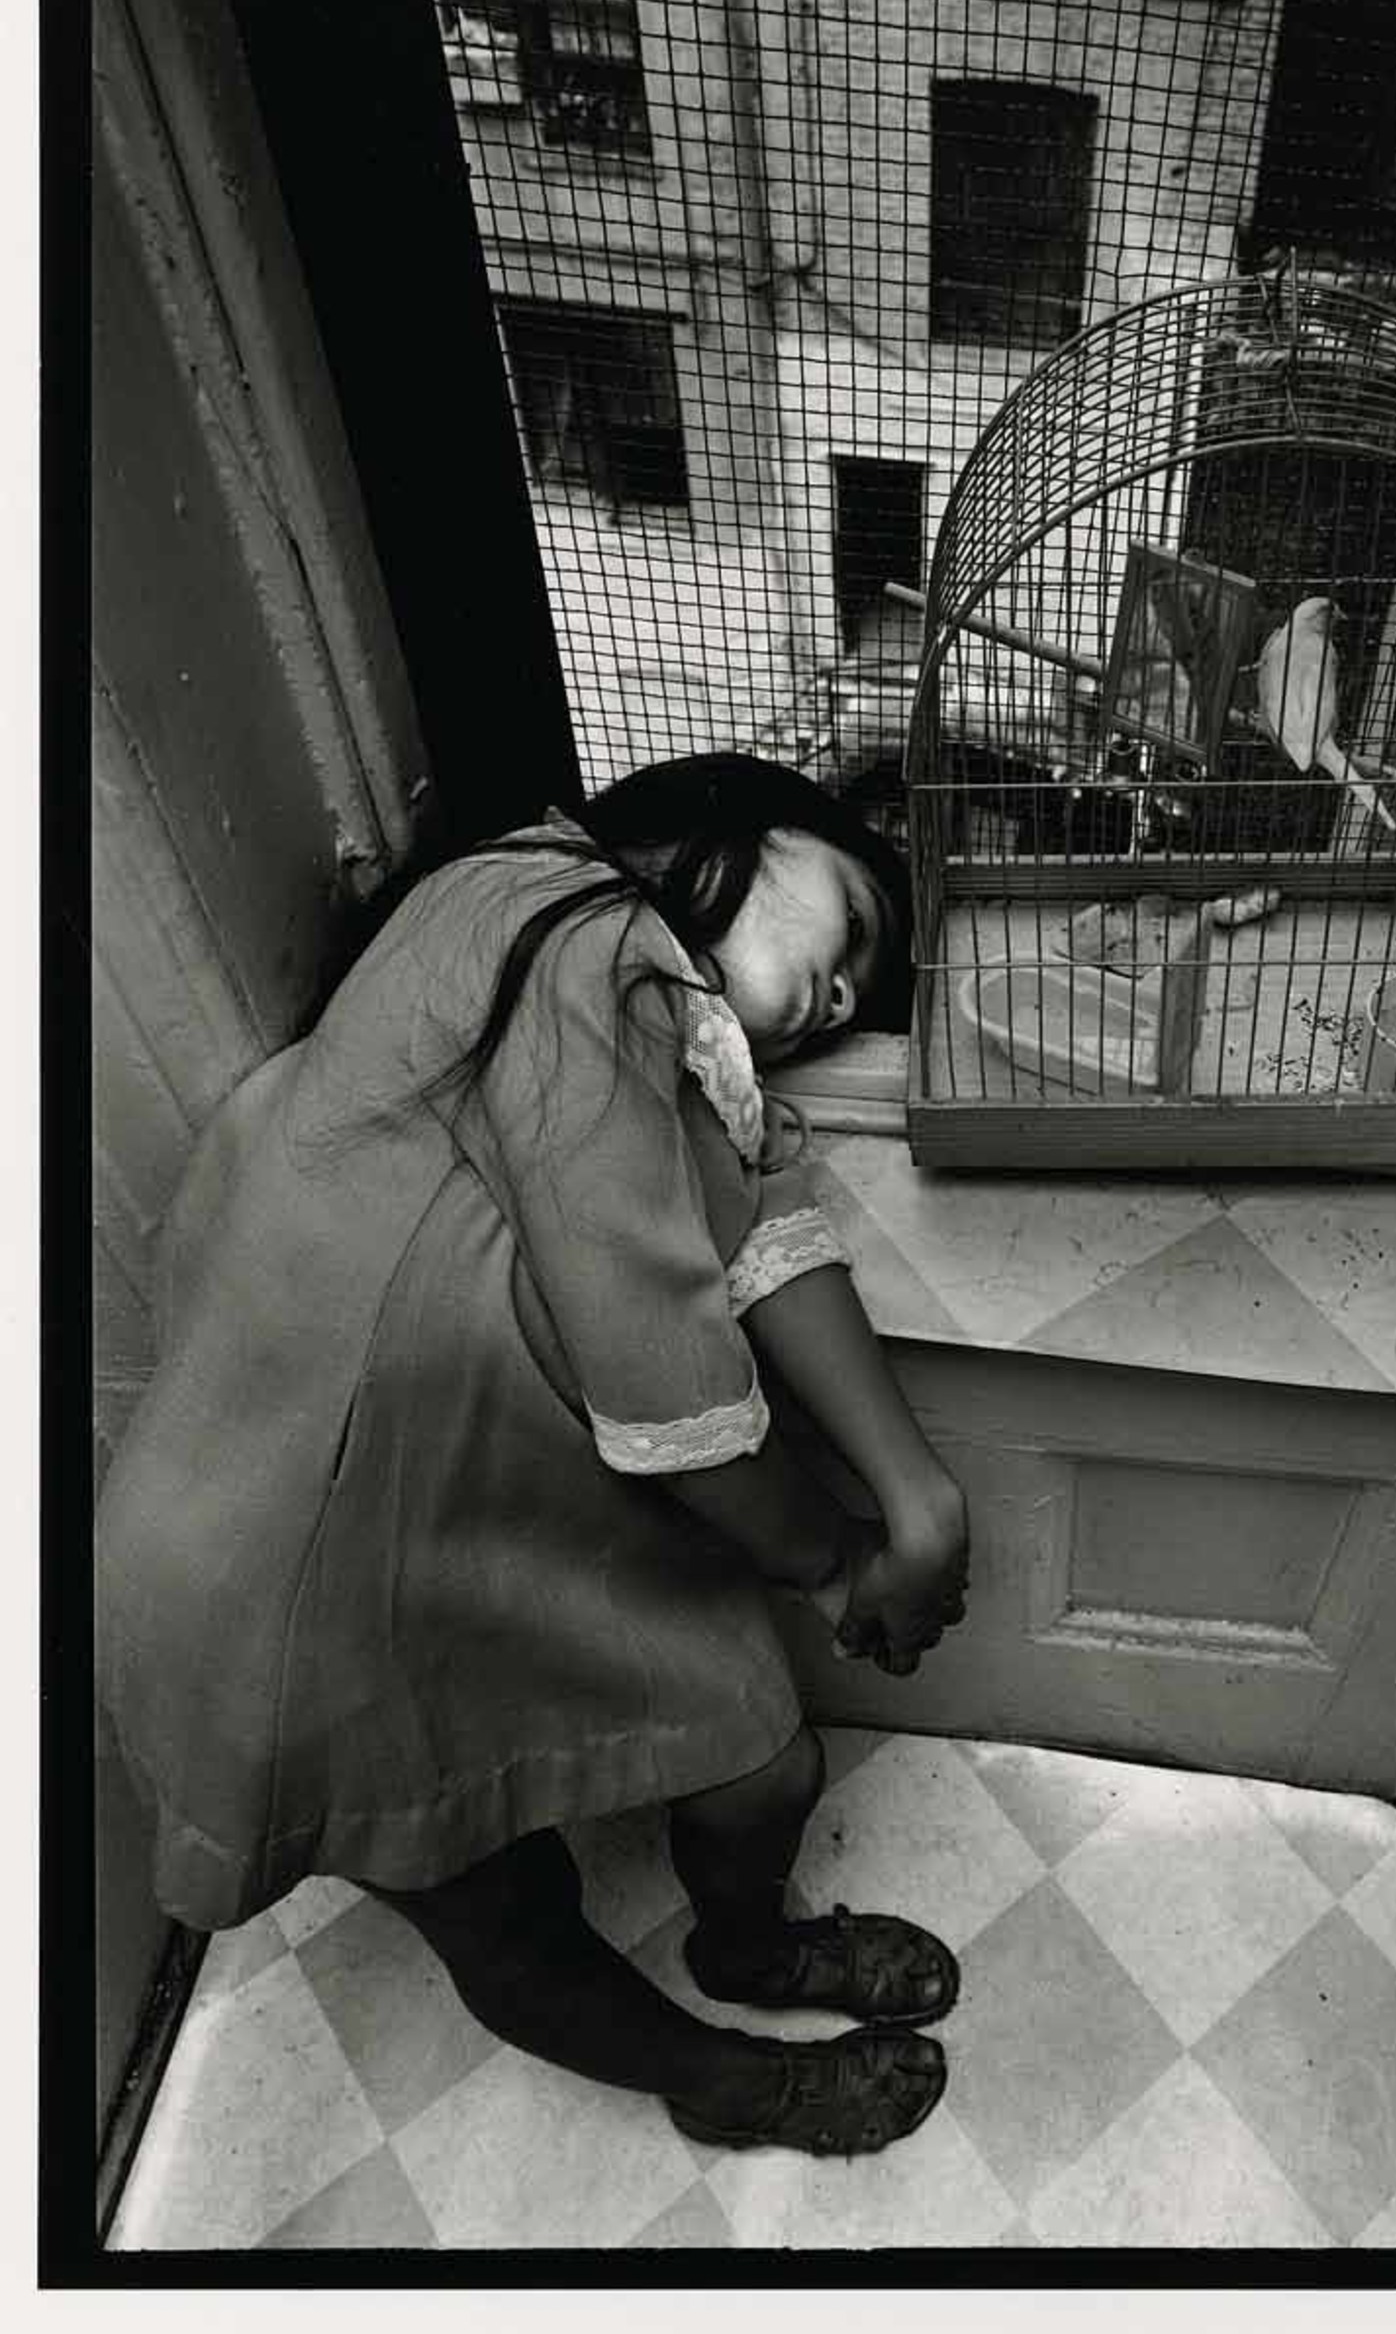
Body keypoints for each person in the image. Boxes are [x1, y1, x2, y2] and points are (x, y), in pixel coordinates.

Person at [95, 754, 972, 2159]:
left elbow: (750, 1215)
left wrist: (915, 1501)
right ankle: (727, 2080)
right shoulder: (559, 915)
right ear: (739, 827)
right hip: (272, 1582)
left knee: (759, 1760)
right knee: (500, 1913)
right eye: (853, 932)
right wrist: (832, 1563)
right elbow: (658, 1365)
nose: (850, 996)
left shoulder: (619, 1005)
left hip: (438, 1525)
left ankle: (743, 1950)